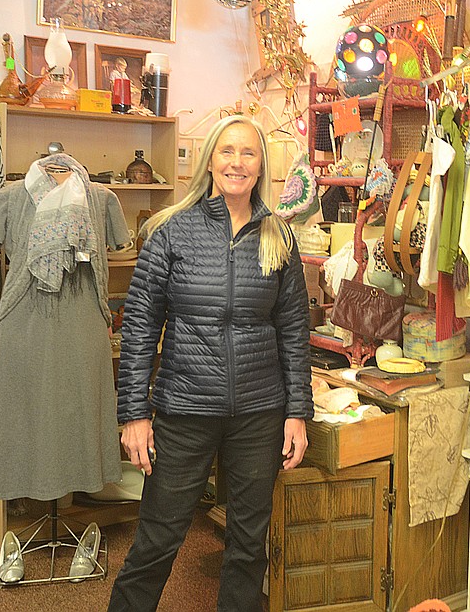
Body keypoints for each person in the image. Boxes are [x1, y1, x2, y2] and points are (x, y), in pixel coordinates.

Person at [107, 114, 311, 611]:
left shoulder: (278, 239)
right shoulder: (170, 232)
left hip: (259, 415)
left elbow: (294, 333)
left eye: (248, 153)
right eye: (227, 151)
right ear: (210, 161)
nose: (237, 163)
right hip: (185, 411)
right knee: (157, 540)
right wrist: (133, 414)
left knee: (247, 545)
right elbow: (138, 329)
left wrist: (297, 413)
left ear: (261, 167)